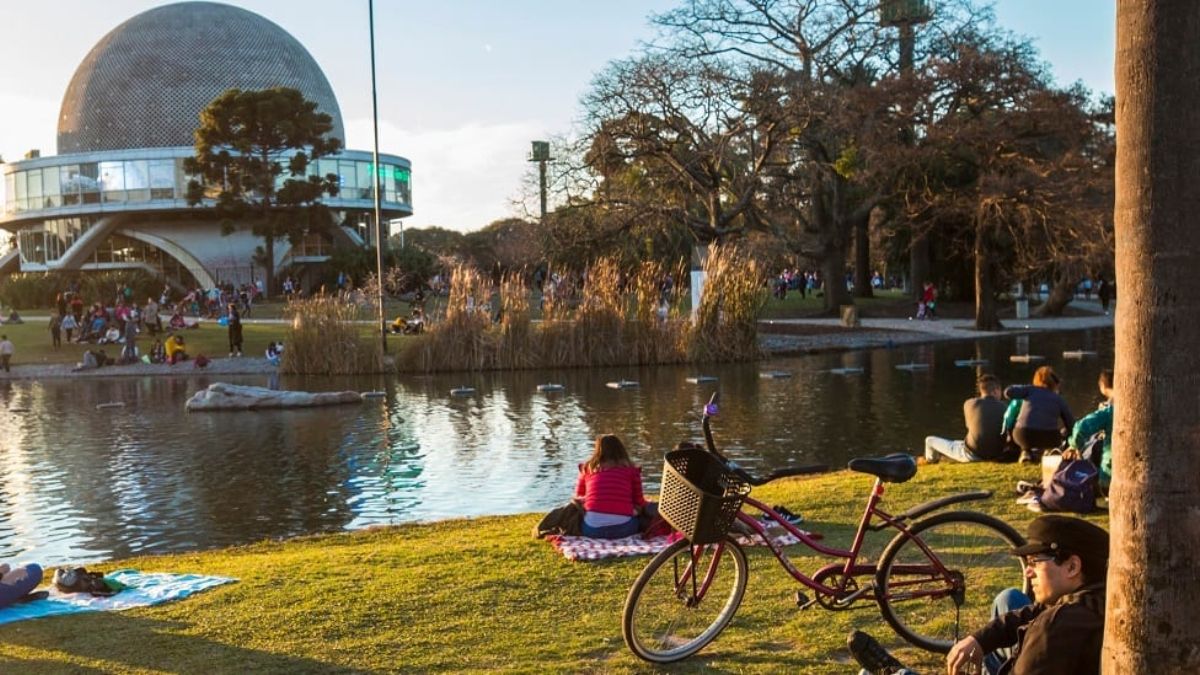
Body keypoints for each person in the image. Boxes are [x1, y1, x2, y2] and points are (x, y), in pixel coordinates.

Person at [848, 515, 1109, 675]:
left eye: (1035, 561)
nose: (1028, 572)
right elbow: (1033, 612)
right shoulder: (1096, 596)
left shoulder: (1053, 628)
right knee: (1009, 599)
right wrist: (979, 639)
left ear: (1073, 566)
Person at [573, 435, 654, 539]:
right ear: (621, 449)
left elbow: (579, 497)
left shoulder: (587, 469)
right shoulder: (631, 470)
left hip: (592, 530)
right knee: (639, 514)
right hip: (624, 530)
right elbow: (639, 501)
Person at [924, 374, 1010, 464]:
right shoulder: (1005, 407)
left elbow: (969, 426)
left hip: (972, 454)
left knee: (929, 440)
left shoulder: (969, 403)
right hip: (996, 454)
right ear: (996, 391)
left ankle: (931, 461)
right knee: (959, 443)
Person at [1004, 366, 1074, 463]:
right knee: (1060, 432)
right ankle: (1049, 451)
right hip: (1049, 437)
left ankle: (1025, 451)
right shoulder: (1058, 399)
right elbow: (1070, 423)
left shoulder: (1029, 390)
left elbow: (1008, 392)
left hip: (1023, 435)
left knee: (1019, 426)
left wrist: (1024, 388)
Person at [1069, 369, 1114, 491]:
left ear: (1102, 386)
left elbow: (1080, 428)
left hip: (1109, 479)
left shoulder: (1110, 410)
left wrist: (1074, 446)